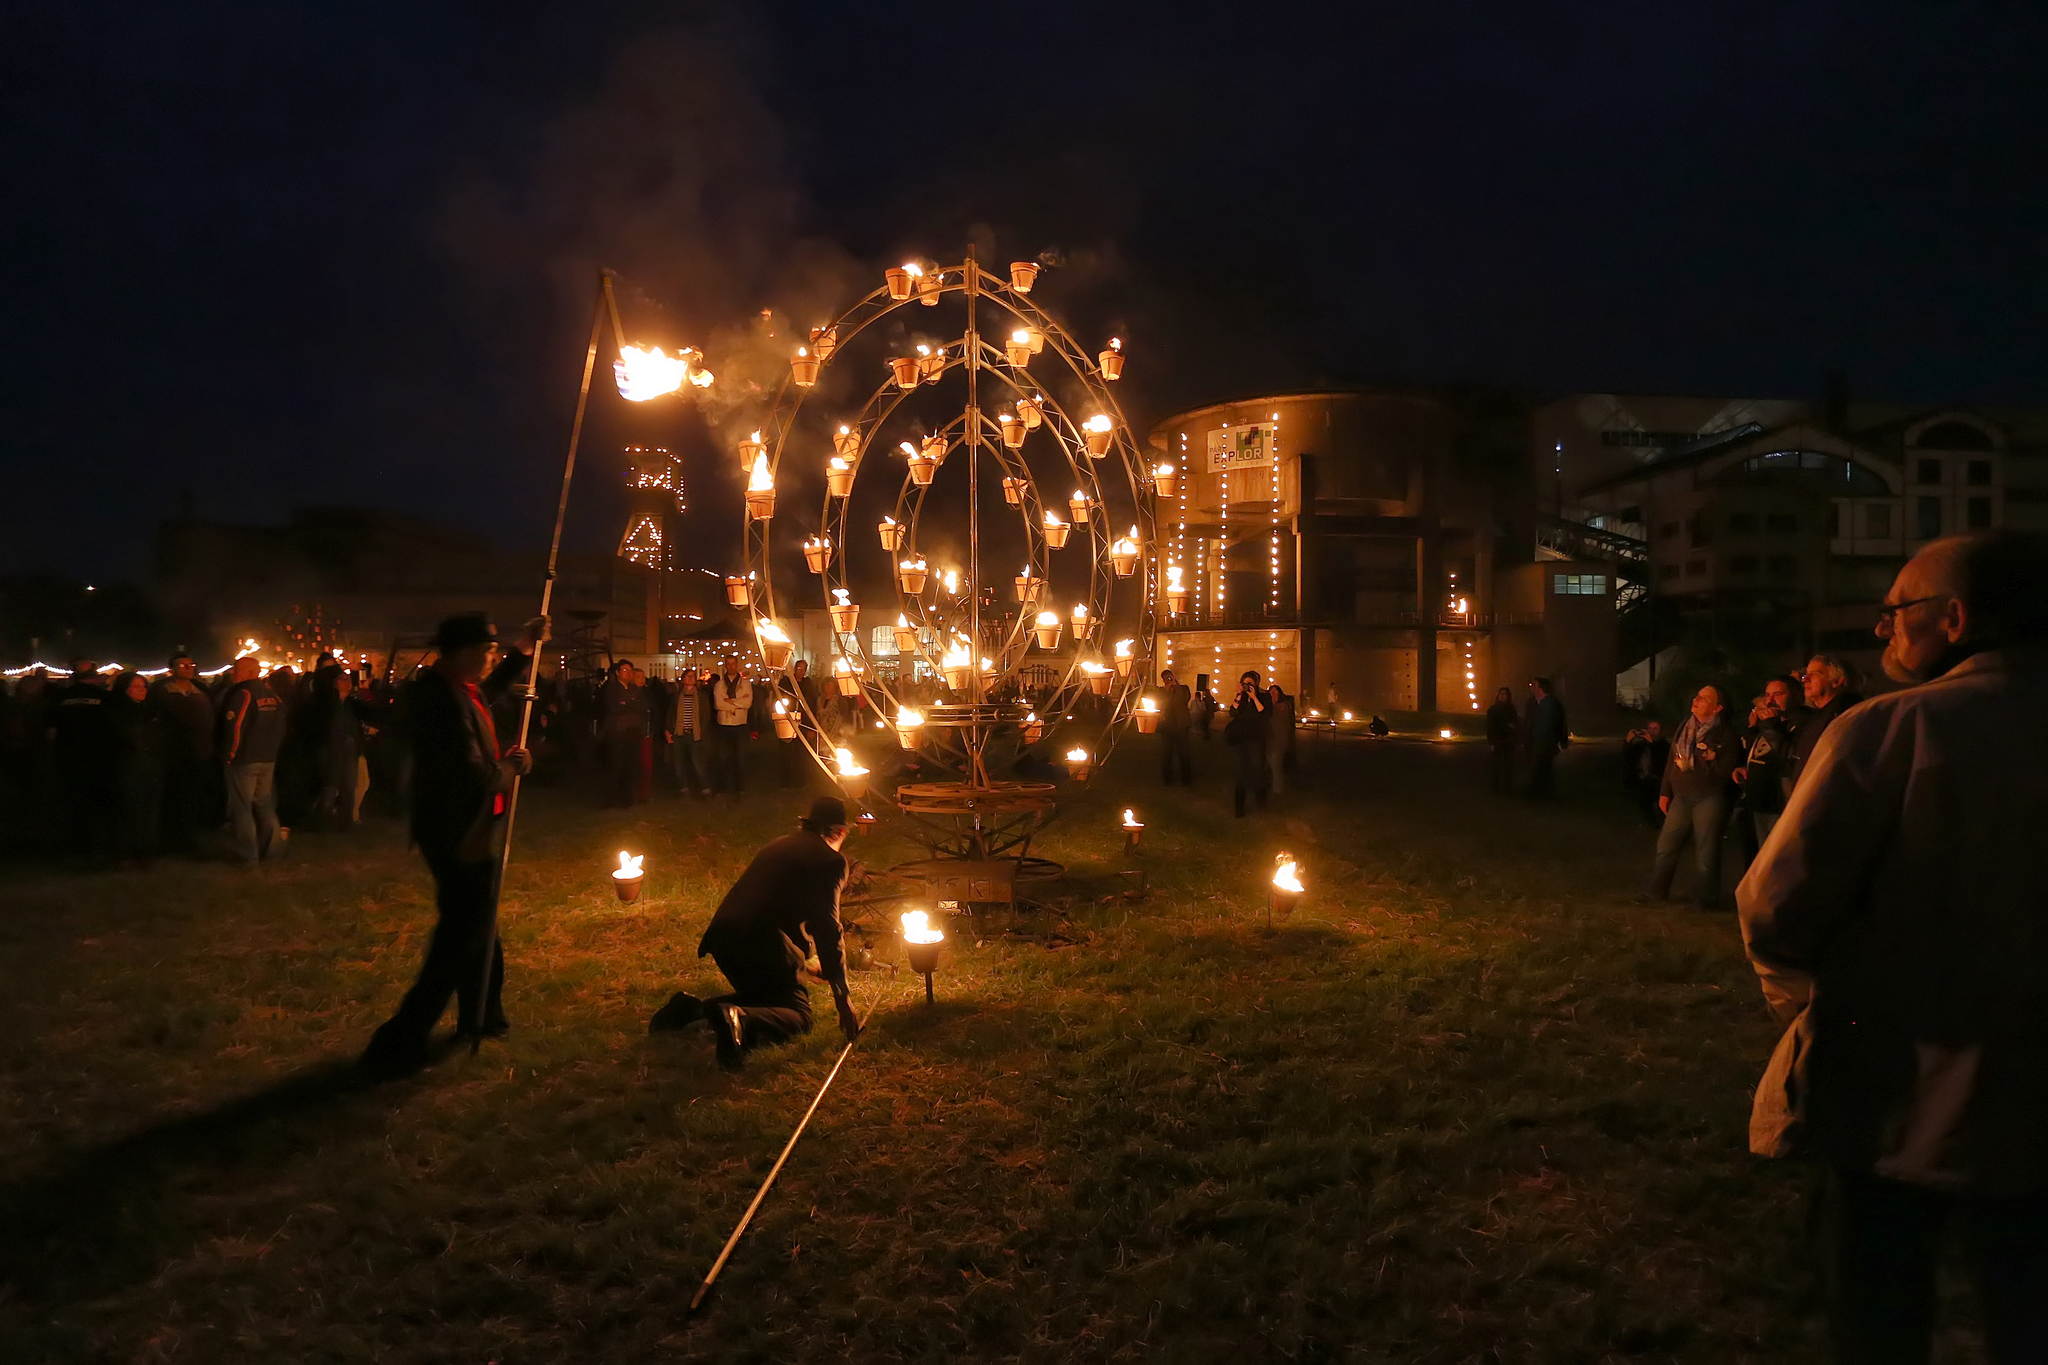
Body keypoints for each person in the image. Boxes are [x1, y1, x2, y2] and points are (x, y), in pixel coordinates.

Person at [1737, 531, 2048, 1362]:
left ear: (1953, 618)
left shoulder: (1890, 729)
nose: (1882, 631)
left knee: (1878, 1309)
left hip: (1894, 1096)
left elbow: (1777, 906)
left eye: (1895, 611)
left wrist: (1807, 999)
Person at [361, 614, 534, 1077]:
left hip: (469, 825)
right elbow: (470, 773)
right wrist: (512, 769)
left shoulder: (458, 689)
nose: (491, 658)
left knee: (480, 922)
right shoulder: (436, 700)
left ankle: (483, 1015)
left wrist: (521, 652)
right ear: (461, 652)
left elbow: (489, 694)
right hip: (457, 830)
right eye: (487, 651)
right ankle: (402, 1037)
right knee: (461, 934)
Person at [651, 795, 861, 1069]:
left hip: (723, 938)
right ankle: (740, 1018)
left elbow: (779, 905)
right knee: (798, 1015)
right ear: (840, 832)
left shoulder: (780, 844)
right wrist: (842, 997)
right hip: (759, 940)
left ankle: (692, 1011)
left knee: (769, 999)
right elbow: (828, 927)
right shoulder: (830, 861)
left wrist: (804, 961)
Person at [1641, 684, 1738, 909]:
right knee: (1666, 845)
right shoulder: (1685, 726)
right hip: (1681, 797)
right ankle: (1656, 891)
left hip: (1708, 797)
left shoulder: (1725, 734)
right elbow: (1670, 762)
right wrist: (1665, 791)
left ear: (1717, 708)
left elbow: (1724, 771)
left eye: (1704, 698)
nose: (1696, 699)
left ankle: (1706, 898)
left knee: (1706, 850)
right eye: (1697, 696)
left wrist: (1698, 764)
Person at [46, 658, 118, 863]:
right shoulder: (105, 698)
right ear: (95, 677)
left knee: (75, 805)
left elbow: (51, 732)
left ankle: (78, 848)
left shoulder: (61, 698)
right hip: (97, 761)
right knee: (97, 805)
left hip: (71, 760)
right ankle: (95, 849)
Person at [217, 655, 286, 864]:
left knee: (242, 807)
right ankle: (272, 850)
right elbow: (282, 726)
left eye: (237, 670)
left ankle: (247, 855)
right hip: (268, 759)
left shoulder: (243, 693)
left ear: (248, 672)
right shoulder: (273, 695)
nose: (233, 674)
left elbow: (236, 727)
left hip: (245, 759)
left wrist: (230, 754)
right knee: (264, 804)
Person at [150, 653, 218, 854]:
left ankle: (191, 837)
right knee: (174, 796)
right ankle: (172, 838)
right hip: (174, 752)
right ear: (172, 669)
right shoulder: (162, 690)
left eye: (191, 664)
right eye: (183, 665)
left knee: (193, 797)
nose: (188, 668)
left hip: (199, 752)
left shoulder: (201, 690)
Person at [1731, 676, 1803, 863]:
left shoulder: (1801, 723)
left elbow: (1789, 757)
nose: (1770, 700)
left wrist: (1771, 726)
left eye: (1778, 694)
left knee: (1774, 862)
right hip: (1755, 800)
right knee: (1755, 860)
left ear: (1796, 695)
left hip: (1778, 805)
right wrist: (1743, 765)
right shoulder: (1771, 723)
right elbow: (1759, 751)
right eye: (1768, 695)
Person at [1782, 652, 1861, 801]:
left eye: (1815, 674)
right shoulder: (1820, 716)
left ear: (1837, 681)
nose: (1805, 679)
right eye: (1805, 674)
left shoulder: (1846, 716)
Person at [107, 671, 167, 863]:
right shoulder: (116, 710)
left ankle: (147, 850)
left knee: (150, 809)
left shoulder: (151, 710)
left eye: (143, 686)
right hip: (128, 766)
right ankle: (126, 850)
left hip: (151, 766)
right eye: (135, 686)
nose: (140, 690)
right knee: (130, 808)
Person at [307, 667, 369, 830]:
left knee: (349, 786)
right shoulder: (326, 704)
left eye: (348, 679)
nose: (347, 682)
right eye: (342, 679)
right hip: (332, 749)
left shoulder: (352, 703)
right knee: (330, 785)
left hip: (349, 749)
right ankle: (322, 820)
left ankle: (345, 822)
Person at [596, 660, 642, 808]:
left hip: (632, 733)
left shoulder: (634, 689)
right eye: (624, 670)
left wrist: (628, 705)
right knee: (615, 766)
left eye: (630, 670)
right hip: (616, 733)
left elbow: (641, 707)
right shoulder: (610, 689)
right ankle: (610, 799)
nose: (628, 673)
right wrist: (628, 705)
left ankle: (626, 798)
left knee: (630, 766)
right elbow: (614, 708)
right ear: (617, 672)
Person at [1224, 670, 1269, 818]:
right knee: (1240, 773)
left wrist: (1254, 697)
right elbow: (1232, 712)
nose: (1247, 686)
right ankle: (1239, 808)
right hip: (1241, 739)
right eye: (1245, 683)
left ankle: (1260, 802)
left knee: (1257, 770)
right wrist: (1238, 695)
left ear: (1256, 684)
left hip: (1256, 739)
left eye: (1250, 683)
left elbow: (1264, 713)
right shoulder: (1241, 698)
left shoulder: (1264, 696)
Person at [710, 658, 753, 796]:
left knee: (740, 757)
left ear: (737, 665)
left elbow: (748, 703)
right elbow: (718, 704)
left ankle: (740, 787)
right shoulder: (719, 685)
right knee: (723, 757)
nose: (731, 666)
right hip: (724, 724)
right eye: (728, 664)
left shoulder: (745, 684)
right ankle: (724, 785)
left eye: (733, 663)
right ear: (725, 666)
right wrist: (738, 702)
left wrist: (730, 701)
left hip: (740, 724)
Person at [1522, 677, 1569, 798]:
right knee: (1536, 768)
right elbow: (1528, 722)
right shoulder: (1532, 703)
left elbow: (1559, 723)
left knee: (1543, 768)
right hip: (1534, 743)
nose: (1532, 687)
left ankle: (1542, 793)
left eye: (1534, 685)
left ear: (1541, 688)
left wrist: (1562, 741)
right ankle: (1538, 792)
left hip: (1546, 743)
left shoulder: (1551, 704)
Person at [668, 666, 710, 797]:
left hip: (694, 734)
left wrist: (702, 731)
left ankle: (705, 787)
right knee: (679, 764)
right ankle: (683, 788)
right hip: (679, 734)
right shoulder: (676, 697)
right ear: (682, 680)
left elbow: (706, 715)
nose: (691, 678)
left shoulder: (701, 697)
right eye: (688, 676)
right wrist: (668, 731)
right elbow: (670, 714)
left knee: (698, 763)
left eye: (693, 676)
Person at [1155, 668, 1193, 785]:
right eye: (1166, 678)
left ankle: (1186, 778)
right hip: (1167, 726)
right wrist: (1167, 692)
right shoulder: (1161, 691)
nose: (1169, 679)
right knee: (1167, 754)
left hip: (1181, 725)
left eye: (1170, 676)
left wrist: (1176, 686)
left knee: (1184, 753)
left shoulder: (1184, 689)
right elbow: (1162, 705)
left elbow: (1184, 700)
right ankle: (1167, 779)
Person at [1630, 720, 1671, 827]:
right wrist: (1628, 741)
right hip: (1644, 777)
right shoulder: (1642, 744)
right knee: (1644, 803)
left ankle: (1663, 823)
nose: (1652, 731)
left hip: (1658, 778)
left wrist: (1650, 743)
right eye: (1650, 728)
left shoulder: (1664, 745)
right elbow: (1630, 757)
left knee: (1659, 803)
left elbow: (1660, 759)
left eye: (1655, 729)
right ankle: (1650, 823)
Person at [1485, 686, 1520, 794]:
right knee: (1496, 765)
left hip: (1508, 740)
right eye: (1501, 694)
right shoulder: (1493, 709)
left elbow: (1515, 724)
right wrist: (1491, 742)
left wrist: (1513, 732)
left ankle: (1507, 787)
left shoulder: (1511, 709)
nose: (1503, 696)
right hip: (1497, 740)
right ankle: (1495, 787)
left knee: (1508, 765)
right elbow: (1490, 727)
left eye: (1505, 694)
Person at [1265, 682, 1297, 794]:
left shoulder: (1283, 706)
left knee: (1275, 765)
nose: (1273, 694)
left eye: (1275, 692)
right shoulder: (1268, 706)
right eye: (1271, 692)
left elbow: (1284, 724)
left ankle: (1277, 789)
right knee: (1269, 765)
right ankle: (1271, 787)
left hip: (1278, 741)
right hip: (1268, 740)